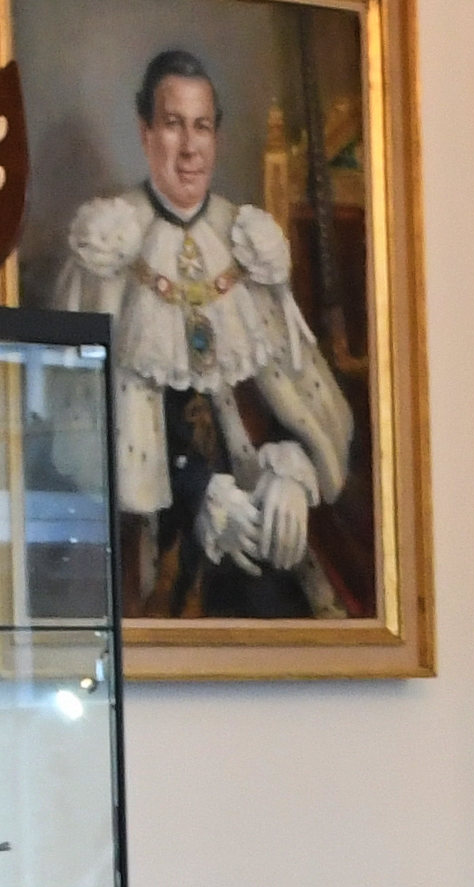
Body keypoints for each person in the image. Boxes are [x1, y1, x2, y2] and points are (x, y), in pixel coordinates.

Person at [43, 44, 361, 624]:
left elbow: (313, 410)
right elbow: (74, 447)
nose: (189, 149)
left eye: (202, 127)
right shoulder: (106, 248)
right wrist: (193, 501)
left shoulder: (247, 244)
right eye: (172, 126)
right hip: (157, 540)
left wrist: (296, 471)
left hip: (264, 524)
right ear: (144, 132)